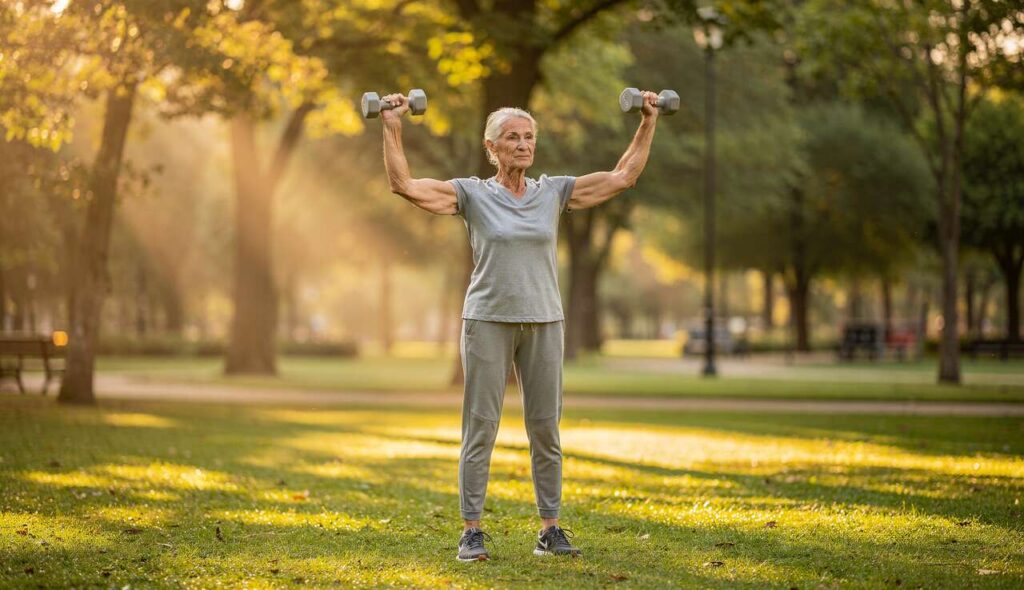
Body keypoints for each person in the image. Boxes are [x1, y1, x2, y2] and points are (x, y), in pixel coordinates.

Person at [379, 91, 662, 561]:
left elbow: (623, 176)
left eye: (529, 137)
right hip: (487, 320)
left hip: (545, 321)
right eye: (512, 137)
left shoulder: (554, 192)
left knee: (546, 429)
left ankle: (550, 529)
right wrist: (391, 126)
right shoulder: (471, 193)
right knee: (481, 427)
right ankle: (472, 530)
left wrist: (648, 121)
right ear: (492, 148)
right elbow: (404, 184)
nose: (523, 144)